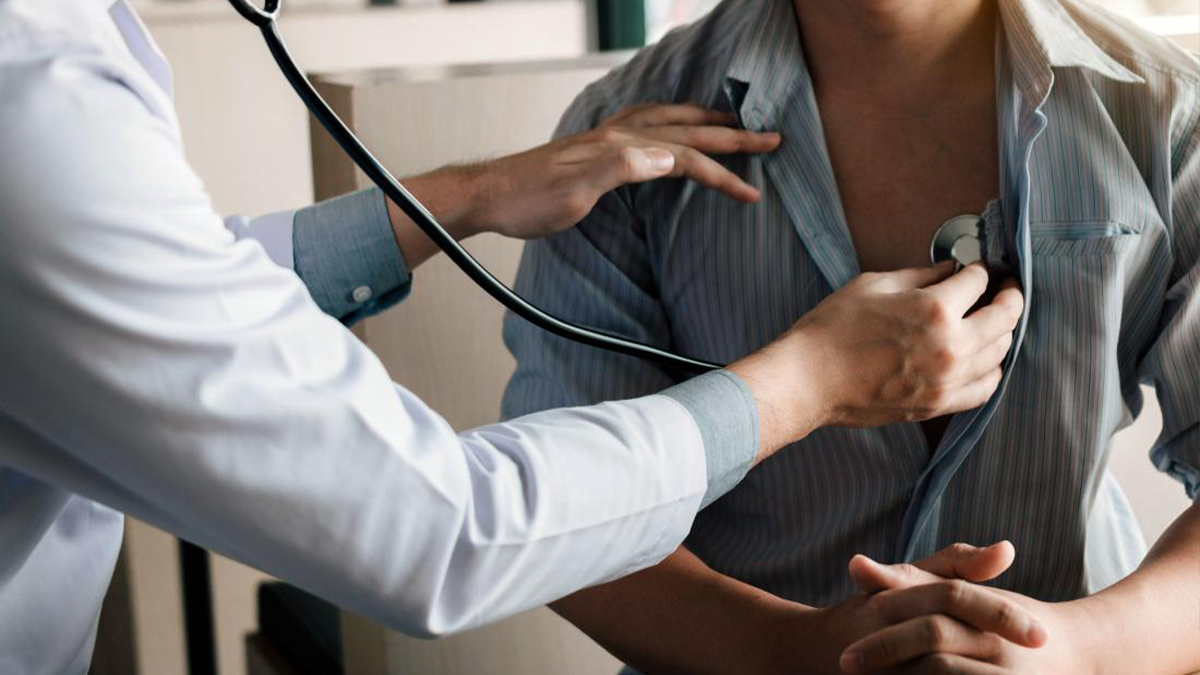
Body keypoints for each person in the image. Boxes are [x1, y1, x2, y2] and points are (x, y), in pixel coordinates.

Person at [0, 0, 1028, 673]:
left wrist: (466, 199)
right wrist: (805, 383)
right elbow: (441, 531)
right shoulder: (30, 98)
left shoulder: (1156, 109)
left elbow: (154, 301)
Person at [500, 0, 1200, 672]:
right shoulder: (616, 137)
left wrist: (1087, 652)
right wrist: (785, 652)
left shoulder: (1168, 112)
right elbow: (564, 519)